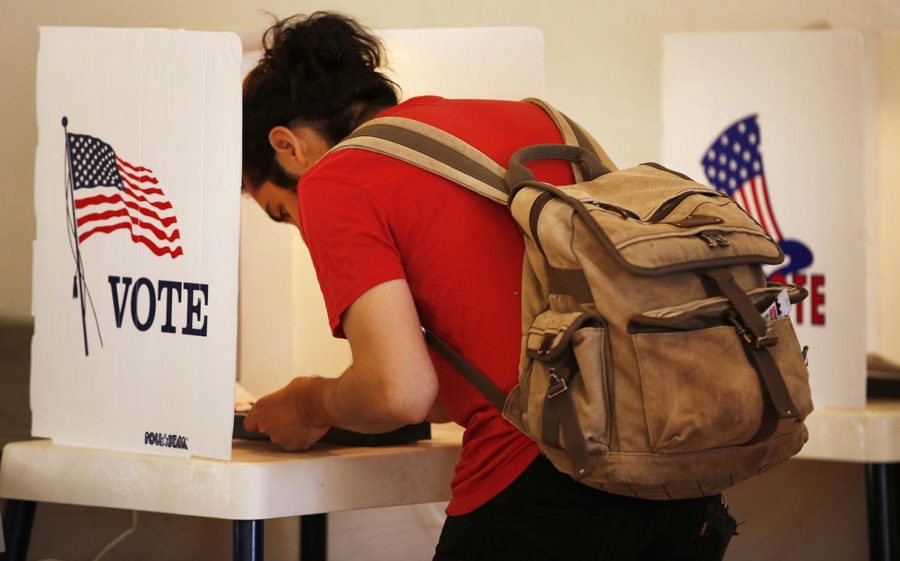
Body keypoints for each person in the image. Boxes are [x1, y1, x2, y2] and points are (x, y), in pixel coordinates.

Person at [241, 12, 735, 561]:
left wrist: (309, 402)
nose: (300, 227)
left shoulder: (337, 177)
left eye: (282, 212)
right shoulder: (540, 124)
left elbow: (397, 392)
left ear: (287, 146)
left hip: (543, 485)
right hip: (676, 473)